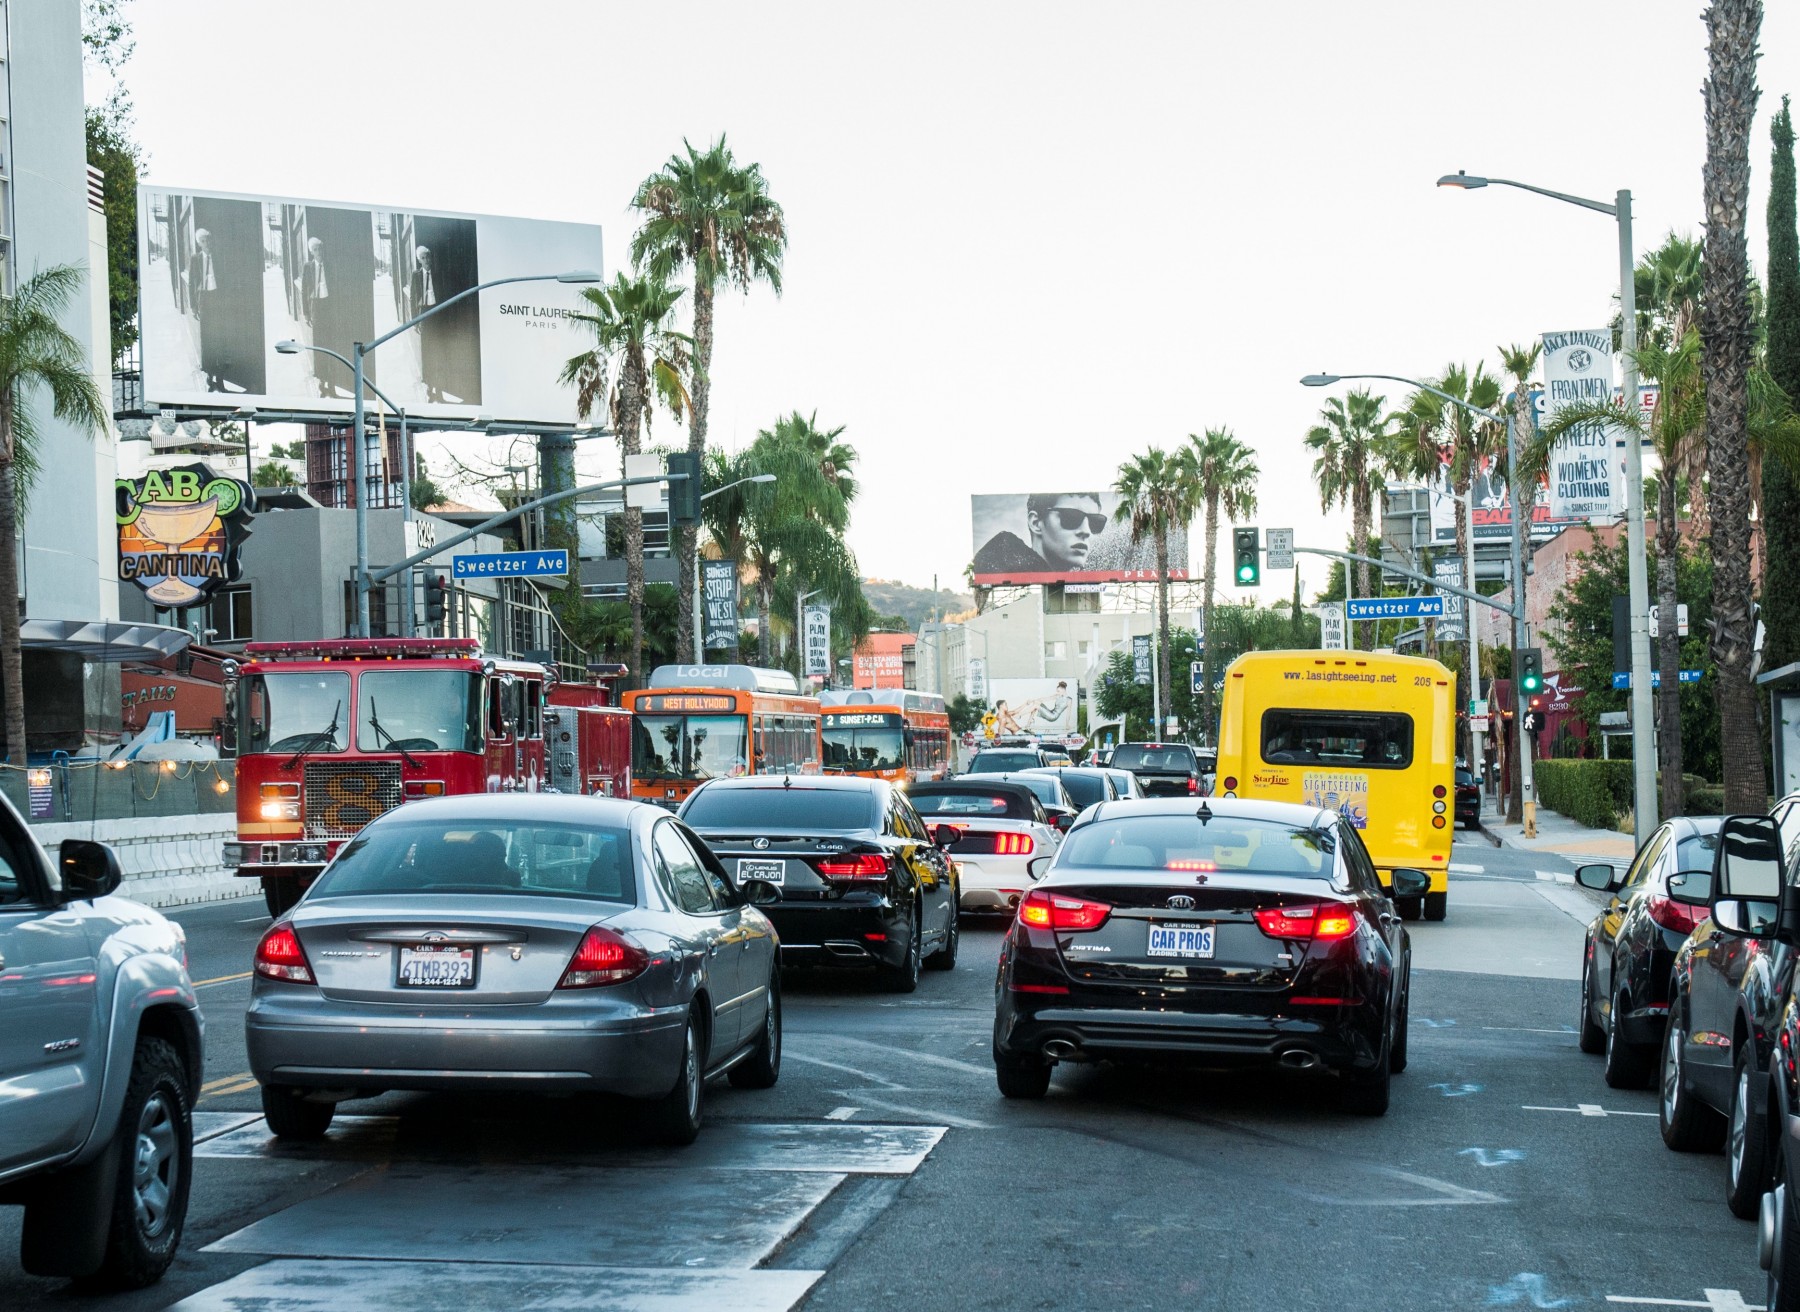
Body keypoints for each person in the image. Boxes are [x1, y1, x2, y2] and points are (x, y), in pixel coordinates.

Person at [973, 493, 1108, 575]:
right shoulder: (999, 559)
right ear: (1036, 522)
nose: (1086, 531)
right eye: (1071, 517)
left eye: (1094, 522)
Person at [187, 229, 225, 390]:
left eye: (208, 240)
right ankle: (210, 375)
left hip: (218, 299)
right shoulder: (195, 259)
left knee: (220, 338)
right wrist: (194, 307)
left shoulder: (219, 257)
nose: (207, 243)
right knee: (207, 340)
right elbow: (191, 283)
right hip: (204, 300)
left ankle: (220, 378)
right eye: (203, 241)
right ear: (199, 243)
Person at [409, 245, 445, 402]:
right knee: (428, 353)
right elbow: (412, 297)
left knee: (440, 351)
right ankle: (430, 387)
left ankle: (440, 388)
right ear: (419, 260)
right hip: (424, 315)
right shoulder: (416, 275)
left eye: (428, 256)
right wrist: (415, 320)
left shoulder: (438, 273)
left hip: (437, 315)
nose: (427, 260)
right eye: (423, 258)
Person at [301, 237, 333, 398]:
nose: (318, 252)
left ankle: (331, 380)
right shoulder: (308, 267)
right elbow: (304, 290)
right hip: (316, 308)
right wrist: (306, 313)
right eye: (315, 250)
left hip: (329, 307)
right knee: (319, 344)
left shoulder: (330, 265)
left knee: (331, 343)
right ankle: (321, 379)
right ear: (311, 252)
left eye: (320, 249)